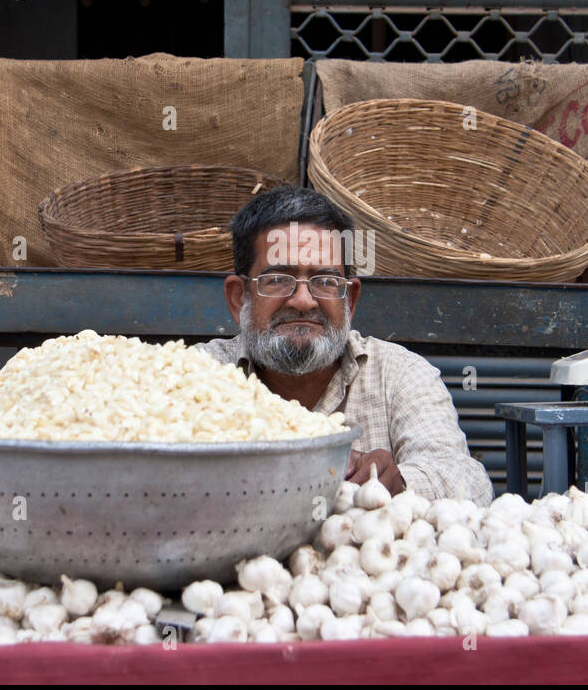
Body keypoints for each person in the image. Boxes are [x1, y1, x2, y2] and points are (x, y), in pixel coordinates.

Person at [196, 186, 494, 506]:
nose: (302, 300)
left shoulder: (399, 375)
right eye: (278, 279)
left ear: (349, 299)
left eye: (325, 281)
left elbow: (469, 481)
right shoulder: (196, 375)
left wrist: (401, 483)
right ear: (239, 297)